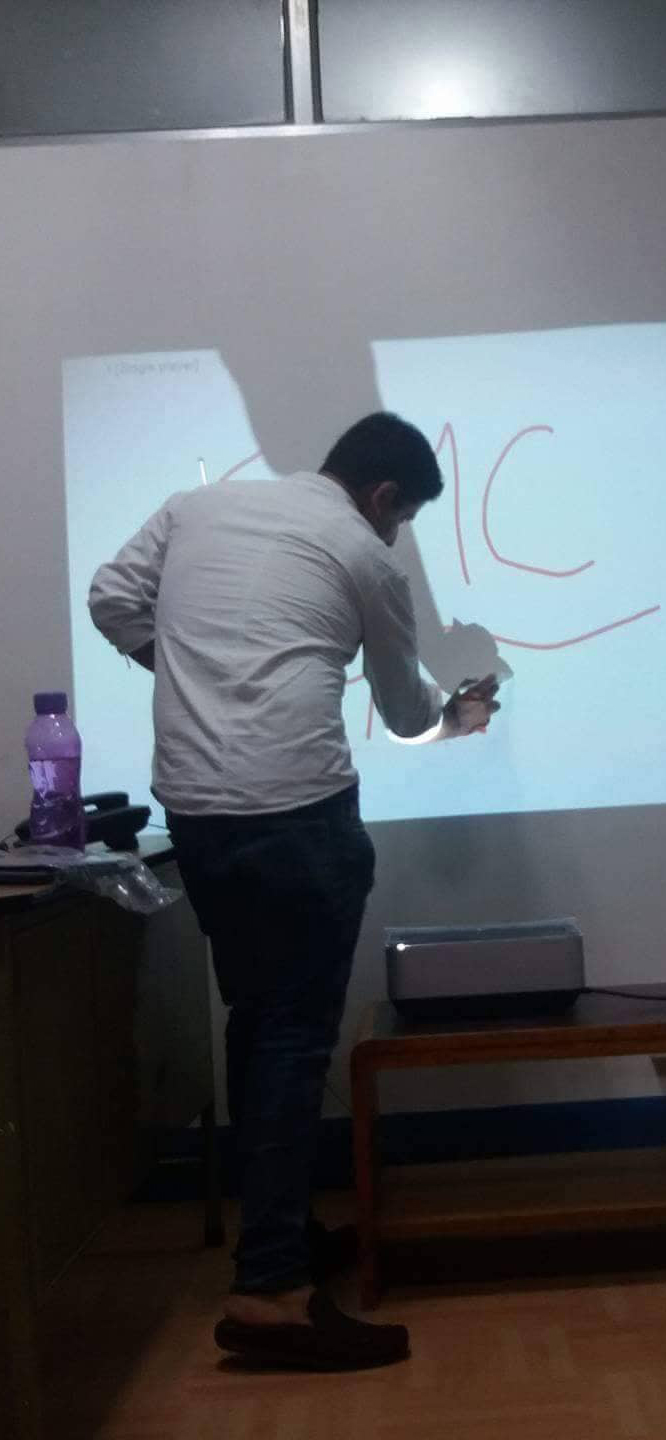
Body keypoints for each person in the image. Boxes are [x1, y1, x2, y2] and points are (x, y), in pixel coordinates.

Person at [88, 411, 500, 1371]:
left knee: (257, 1028)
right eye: (403, 518)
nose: (397, 535)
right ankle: (271, 1290)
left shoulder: (197, 508)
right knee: (289, 1043)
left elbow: (111, 598)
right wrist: (464, 715)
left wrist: (183, 666)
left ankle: (280, 1239)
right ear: (383, 496)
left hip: (197, 814)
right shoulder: (363, 554)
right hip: (296, 817)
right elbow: (405, 714)